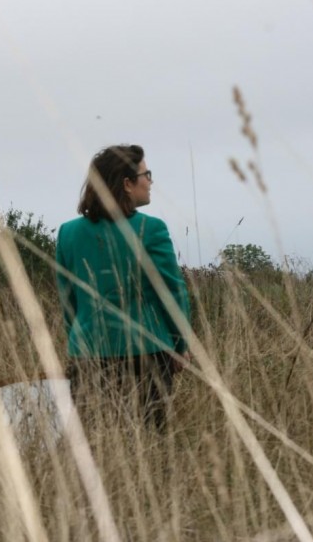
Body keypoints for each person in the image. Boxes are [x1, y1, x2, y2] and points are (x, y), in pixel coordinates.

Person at [55, 144, 191, 430]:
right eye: (146, 174)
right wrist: (180, 345)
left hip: (87, 354)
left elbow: (67, 300)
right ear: (127, 184)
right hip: (148, 355)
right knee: (150, 446)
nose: (150, 181)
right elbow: (171, 292)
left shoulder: (69, 233)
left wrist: (80, 338)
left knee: (98, 446)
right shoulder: (151, 229)